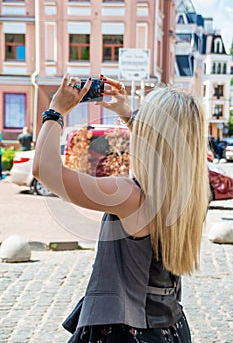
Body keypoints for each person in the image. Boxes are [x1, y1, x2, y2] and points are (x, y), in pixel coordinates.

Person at [33, 73, 209, 343]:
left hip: (127, 332)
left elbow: (45, 170)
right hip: (170, 327)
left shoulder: (131, 198)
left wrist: (55, 110)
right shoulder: (195, 192)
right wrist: (125, 111)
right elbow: (171, 146)